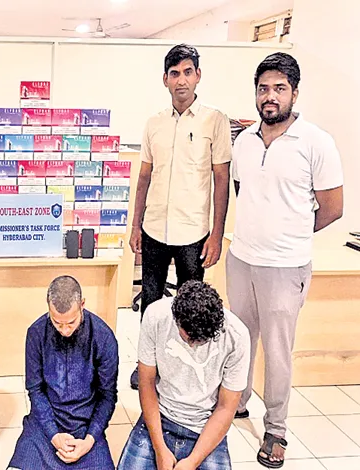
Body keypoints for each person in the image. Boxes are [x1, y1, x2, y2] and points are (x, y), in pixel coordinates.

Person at [226, 52, 343, 468]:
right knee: (239, 340)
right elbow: (243, 190)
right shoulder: (244, 140)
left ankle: (275, 429)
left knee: (277, 352)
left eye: (279, 88)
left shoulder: (315, 142)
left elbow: (333, 208)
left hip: (285, 266)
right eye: (263, 89)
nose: (270, 97)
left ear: (295, 92)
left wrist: (291, 232)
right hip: (241, 258)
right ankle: (236, 402)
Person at [128, 44, 232, 390]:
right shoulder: (154, 124)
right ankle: (147, 366)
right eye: (175, 74)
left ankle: (189, 371)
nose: (181, 80)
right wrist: (136, 225)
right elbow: (144, 177)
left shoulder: (214, 121)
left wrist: (217, 234)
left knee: (192, 307)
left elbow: (221, 180)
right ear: (165, 79)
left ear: (198, 76)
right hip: (155, 229)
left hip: (194, 233)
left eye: (188, 72)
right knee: (150, 304)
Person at [118, 281, 250, 470]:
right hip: (161, 415)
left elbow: (226, 408)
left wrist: (193, 461)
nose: (193, 345)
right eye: (188, 338)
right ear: (176, 318)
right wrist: (159, 448)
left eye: (201, 341)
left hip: (205, 425)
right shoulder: (156, 315)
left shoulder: (237, 336)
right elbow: (146, 383)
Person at [8, 276, 119, 470]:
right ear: (48, 307)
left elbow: (107, 396)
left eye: (71, 322)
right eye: (57, 323)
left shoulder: (103, 337)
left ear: (82, 305)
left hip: (86, 425)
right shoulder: (36, 333)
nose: (65, 330)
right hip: (45, 422)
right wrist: (53, 434)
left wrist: (90, 440)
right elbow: (35, 390)